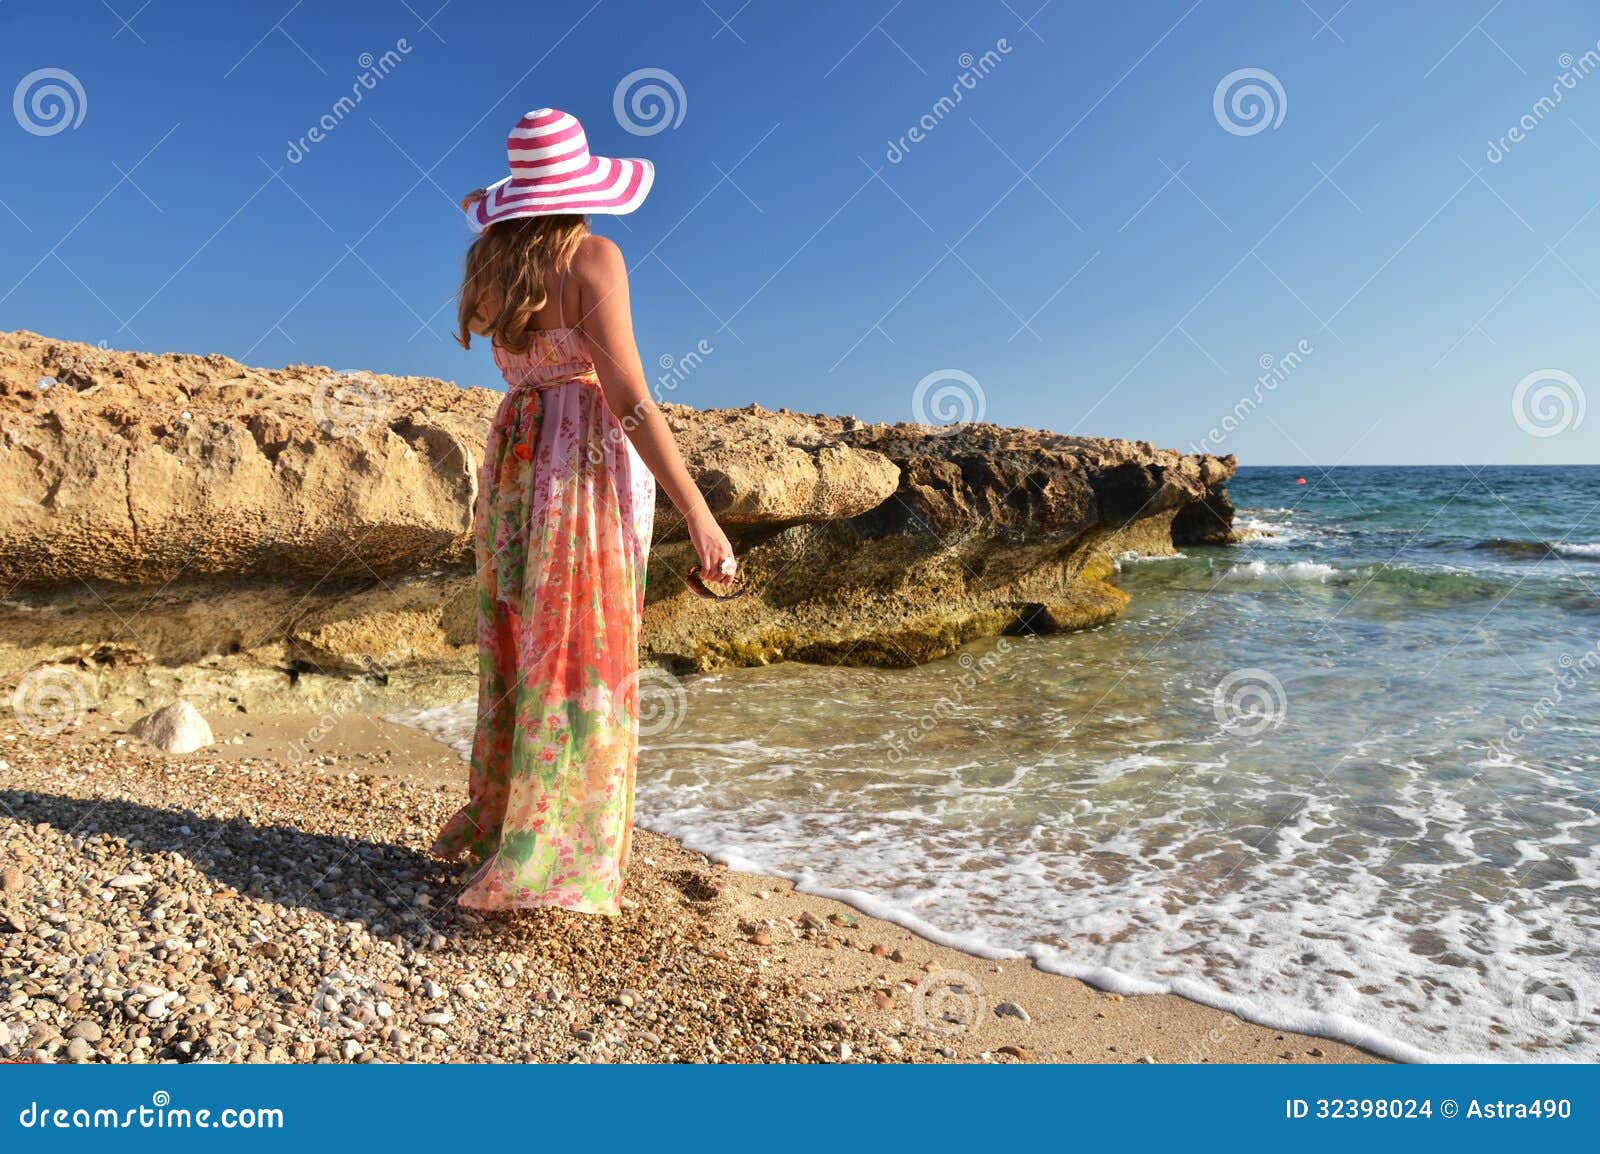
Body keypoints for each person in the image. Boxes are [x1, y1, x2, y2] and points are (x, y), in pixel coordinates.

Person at [430, 108, 738, 914]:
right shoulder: (594, 258)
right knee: (581, 653)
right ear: (580, 191)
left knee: (519, 641)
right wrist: (700, 517)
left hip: (515, 459)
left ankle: (507, 825)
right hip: (582, 462)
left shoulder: (488, 272)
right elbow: (631, 402)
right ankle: (554, 856)